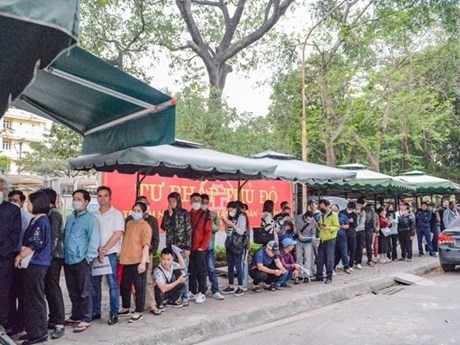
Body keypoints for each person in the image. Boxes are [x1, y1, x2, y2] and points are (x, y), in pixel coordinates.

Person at [14, 191, 51, 345]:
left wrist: (20, 256)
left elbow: (36, 243)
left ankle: (39, 332)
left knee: (36, 298)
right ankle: (31, 330)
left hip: (37, 264)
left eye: (29, 202)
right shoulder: (33, 220)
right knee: (28, 298)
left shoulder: (42, 221)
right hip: (30, 264)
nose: (28, 205)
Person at [63, 189, 99, 334]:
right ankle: (75, 315)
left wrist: (88, 258)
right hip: (68, 260)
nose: (75, 201)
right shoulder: (71, 218)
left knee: (84, 290)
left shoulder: (91, 220)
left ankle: (86, 317)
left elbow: (93, 240)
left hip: (82, 260)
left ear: (86, 202)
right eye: (74, 198)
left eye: (78, 199)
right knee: (72, 290)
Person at [92, 186, 125, 325]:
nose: (102, 198)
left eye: (105, 195)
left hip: (109, 254)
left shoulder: (117, 214)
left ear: (110, 197)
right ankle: (95, 311)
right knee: (94, 285)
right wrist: (97, 250)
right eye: (100, 196)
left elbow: (118, 234)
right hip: (95, 254)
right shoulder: (93, 214)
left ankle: (114, 313)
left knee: (112, 285)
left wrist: (104, 249)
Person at [125, 195, 160, 312]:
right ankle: (136, 305)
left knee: (147, 280)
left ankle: (151, 304)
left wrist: (151, 252)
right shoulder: (129, 221)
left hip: (145, 255)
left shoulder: (152, 221)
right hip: (130, 257)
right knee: (130, 283)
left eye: (144, 204)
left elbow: (155, 239)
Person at [119, 202, 152, 323]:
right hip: (127, 260)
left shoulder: (145, 226)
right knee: (124, 285)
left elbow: (146, 246)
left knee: (139, 287)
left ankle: (139, 311)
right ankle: (126, 307)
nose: (135, 213)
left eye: (138, 211)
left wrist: (143, 263)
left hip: (139, 261)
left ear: (144, 213)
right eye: (134, 210)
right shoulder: (129, 223)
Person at [7, 190, 32, 337]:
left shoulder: (28, 218)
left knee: (21, 293)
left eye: (15, 200)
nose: (12, 203)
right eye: (10, 200)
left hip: (22, 257)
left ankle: (21, 322)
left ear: (22, 202)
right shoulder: (5, 215)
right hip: (8, 257)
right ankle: (10, 321)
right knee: (8, 292)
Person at [42, 188, 65, 340]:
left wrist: (47, 258)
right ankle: (53, 318)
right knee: (48, 289)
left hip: (54, 257)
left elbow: (54, 237)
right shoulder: (46, 214)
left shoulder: (54, 214)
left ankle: (59, 322)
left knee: (53, 287)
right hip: (49, 257)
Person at [161, 192, 192, 306]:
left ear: (178, 201)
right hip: (170, 247)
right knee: (172, 273)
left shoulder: (184, 213)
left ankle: (185, 296)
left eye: (173, 201)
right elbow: (164, 227)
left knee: (183, 272)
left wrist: (188, 247)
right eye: (169, 201)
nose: (171, 203)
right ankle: (172, 297)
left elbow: (188, 231)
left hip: (182, 247)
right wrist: (169, 215)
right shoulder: (166, 213)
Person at [0, 177, 21, 333]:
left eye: (1, 189)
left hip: (4, 259)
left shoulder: (13, 210)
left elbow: (14, 235)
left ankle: (3, 323)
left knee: (4, 293)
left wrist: (3, 252)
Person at [188, 193, 212, 304]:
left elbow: (208, 233)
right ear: (190, 201)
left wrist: (202, 247)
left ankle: (202, 292)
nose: (196, 202)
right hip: (190, 247)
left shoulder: (206, 215)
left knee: (201, 271)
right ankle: (192, 291)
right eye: (194, 200)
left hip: (200, 248)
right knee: (191, 270)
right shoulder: (188, 214)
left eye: (198, 200)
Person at [200, 194, 224, 300]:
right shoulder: (196, 214)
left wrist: (208, 223)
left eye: (206, 202)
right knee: (200, 269)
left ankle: (215, 290)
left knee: (211, 268)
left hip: (209, 246)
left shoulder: (212, 215)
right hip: (198, 246)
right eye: (202, 202)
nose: (204, 204)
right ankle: (201, 290)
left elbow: (217, 227)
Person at [221, 201, 247, 297]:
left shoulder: (242, 217)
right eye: (229, 211)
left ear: (236, 209)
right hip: (229, 243)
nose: (230, 212)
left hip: (237, 244)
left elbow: (241, 231)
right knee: (230, 266)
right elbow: (227, 231)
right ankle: (231, 285)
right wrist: (226, 224)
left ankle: (240, 286)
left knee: (238, 266)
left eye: (231, 210)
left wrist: (232, 225)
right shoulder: (231, 218)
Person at [315, 199, 339, 284]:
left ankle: (329, 277)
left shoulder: (334, 215)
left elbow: (337, 227)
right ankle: (319, 275)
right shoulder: (321, 215)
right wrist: (318, 226)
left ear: (328, 206)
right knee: (320, 258)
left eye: (322, 207)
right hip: (322, 239)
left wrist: (329, 228)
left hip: (330, 239)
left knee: (329, 259)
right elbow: (319, 225)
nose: (321, 208)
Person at [295, 211, 316, 283]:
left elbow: (313, 231)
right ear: (305, 217)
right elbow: (297, 229)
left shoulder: (313, 221)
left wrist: (313, 236)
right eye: (308, 220)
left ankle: (307, 275)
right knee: (298, 257)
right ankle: (299, 274)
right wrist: (299, 235)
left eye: (311, 220)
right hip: (299, 240)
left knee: (307, 258)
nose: (309, 221)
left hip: (308, 241)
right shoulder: (298, 218)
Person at [332, 204, 351, 274]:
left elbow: (347, 226)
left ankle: (346, 267)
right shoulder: (330, 216)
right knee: (334, 253)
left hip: (341, 235)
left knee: (344, 251)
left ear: (338, 208)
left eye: (335, 207)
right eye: (332, 207)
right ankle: (332, 267)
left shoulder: (343, 216)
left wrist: (341, 226)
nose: (333, 209)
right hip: (333, 236)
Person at [356, 198, 376, 267]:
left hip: (367, 228)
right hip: (361, 229)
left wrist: (374, 229)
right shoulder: (358, 209)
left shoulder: (370, 209)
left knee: (368, 245)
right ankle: (358, 260)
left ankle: (369, 260)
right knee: (360, 245)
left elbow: (373, 218)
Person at [340, 201, 357, 270]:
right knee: (344, 250)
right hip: (343, 233)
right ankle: (344, 264)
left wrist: (352, 222)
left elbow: (355, 225)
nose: (351, 210)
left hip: (352, 234)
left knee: (352, 249)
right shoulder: (342, 213)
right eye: (350, 208)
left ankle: (351, 264)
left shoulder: (354, 214)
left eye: (352, 209)